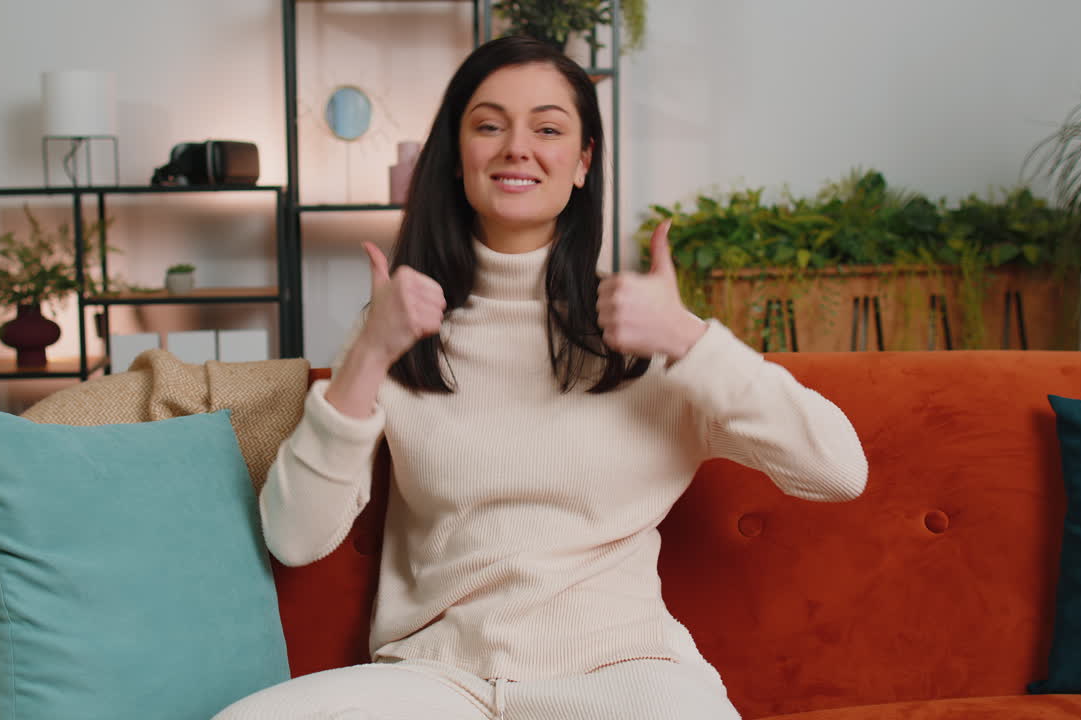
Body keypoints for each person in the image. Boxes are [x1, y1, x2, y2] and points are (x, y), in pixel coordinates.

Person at [216, 35, 867, 720]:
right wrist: (368, 355)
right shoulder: (397, 326)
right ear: (456, 157)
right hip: (438, 680)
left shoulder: (646, 332)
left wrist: (688, 338)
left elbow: (838, 469)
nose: (516, 148)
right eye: (489, 125)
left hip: (619, 674)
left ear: (583, 162)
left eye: (548, 128)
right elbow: (294, 537)